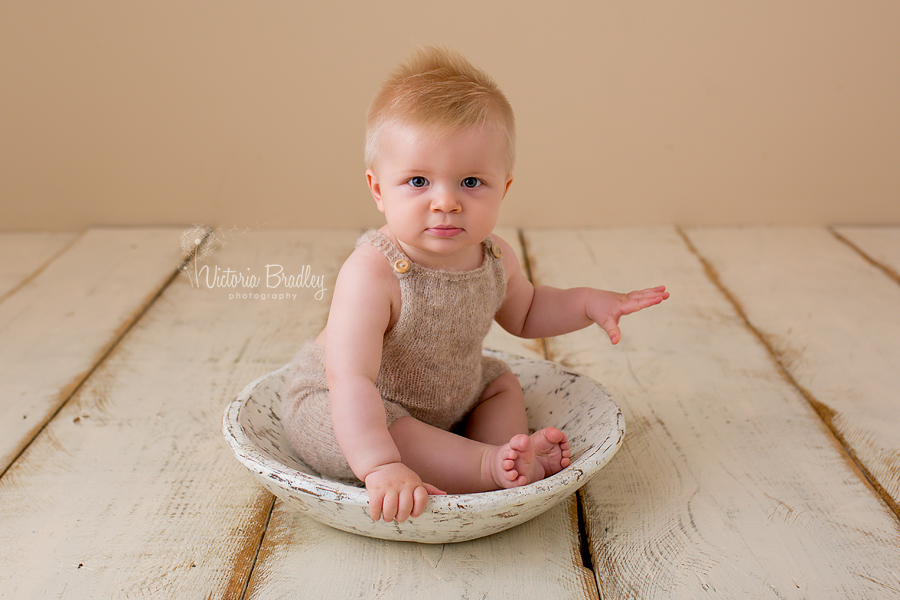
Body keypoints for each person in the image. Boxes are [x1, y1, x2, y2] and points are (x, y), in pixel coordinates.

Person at [282, 46, 669, 524]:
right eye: (419, 181)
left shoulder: (494, 258)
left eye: (470, 182)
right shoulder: (372, 272)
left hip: (446, 394)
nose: (446, 202)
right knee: (393, 429)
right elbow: (351, 380)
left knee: (500, 382)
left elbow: (526, 313)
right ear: (378, 189)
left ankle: (508, 453)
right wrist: (380, 466)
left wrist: (587, 302)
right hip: (346, 407)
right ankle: (485, 468)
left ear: (503, 188)